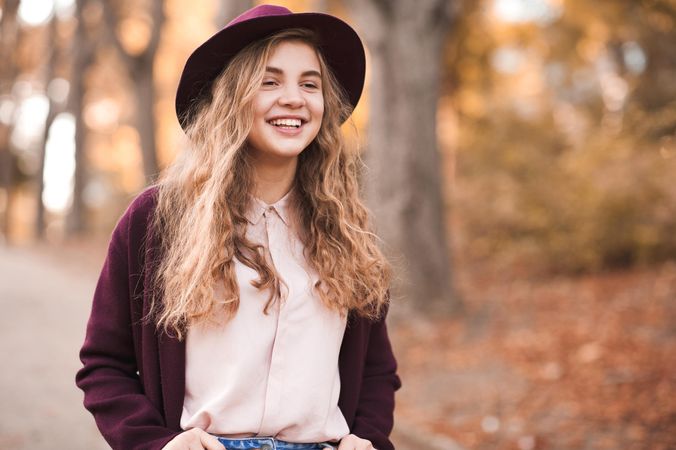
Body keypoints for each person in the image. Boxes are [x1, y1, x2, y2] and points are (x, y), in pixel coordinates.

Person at [76, 4, 400, 450]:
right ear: (230, 98)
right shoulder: (158, 220)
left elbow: (378, 371)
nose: (294, 97)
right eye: (269, 81)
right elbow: (104, 363)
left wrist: (367, 439)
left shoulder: (346, 229)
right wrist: (156, 443)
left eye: (310, 83)